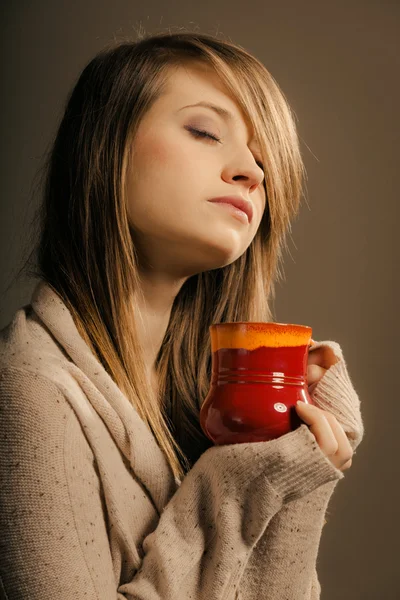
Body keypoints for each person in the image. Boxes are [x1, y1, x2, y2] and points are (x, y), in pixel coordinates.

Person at [0, 30, 364, 599]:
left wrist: (296, 473)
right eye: (204, 131)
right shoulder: (27, 392)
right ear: (106, 149)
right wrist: (238, 484)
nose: (252, 171)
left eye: (263, 159)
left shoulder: (208, 399)